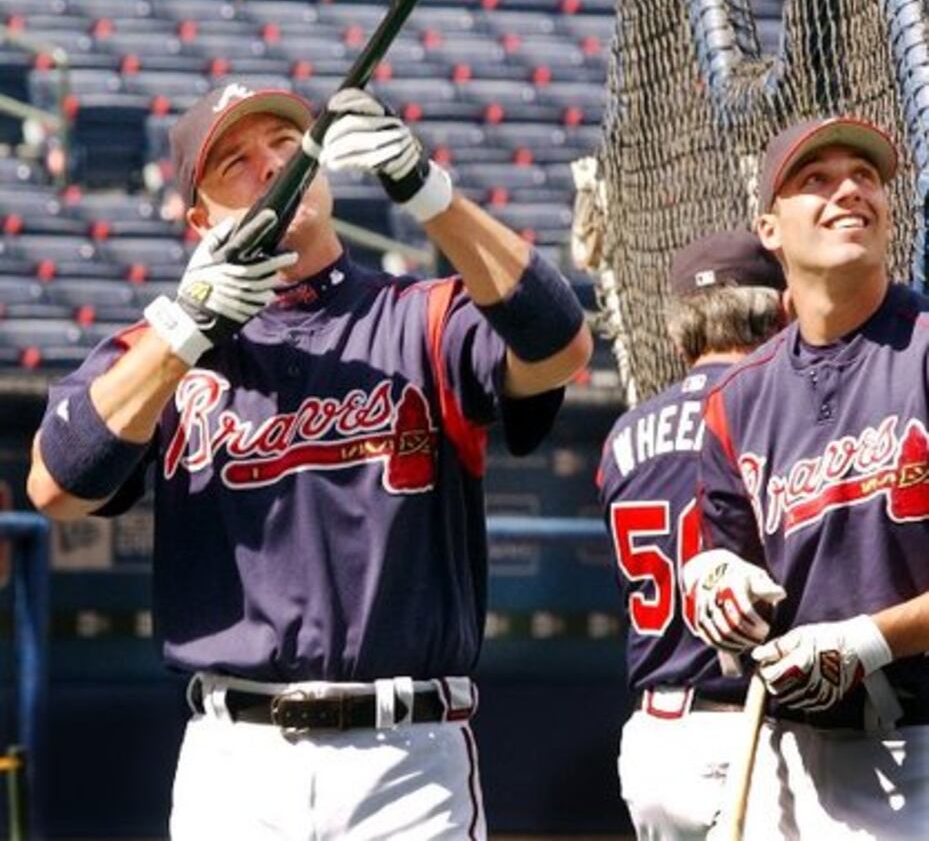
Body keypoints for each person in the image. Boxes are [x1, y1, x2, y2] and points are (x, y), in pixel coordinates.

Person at [26, 81, 593, 841]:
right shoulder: (160, 355)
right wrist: (185, 331)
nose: (269, 166)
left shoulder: (423, 316)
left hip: (408, 754)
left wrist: (429, 193)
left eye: (287, 146)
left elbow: (562, 346)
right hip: (236, 755)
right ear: (201, 219)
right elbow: (56, 485)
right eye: (234, 162)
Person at [687, 115, 929, 839]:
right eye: (816, 180)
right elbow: (726, 561)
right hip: (789, 762)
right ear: (769, 228)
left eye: (865, 177)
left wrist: (872, 639)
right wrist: (716, 587)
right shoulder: (738, 398)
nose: (849, 191)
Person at [597, 228, 786, 840]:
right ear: (779, 315)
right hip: (756, 727)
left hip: (657, 737)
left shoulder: (623, 434)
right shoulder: (781, 413)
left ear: (681, 328)